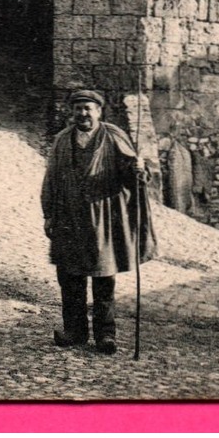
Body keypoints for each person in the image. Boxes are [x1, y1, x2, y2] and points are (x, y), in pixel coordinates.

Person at [40, 88, 158, 354]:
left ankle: (105, 335)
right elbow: (50, 179)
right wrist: (48, 214)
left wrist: (139, 170)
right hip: (69, 219)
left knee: (104, 279)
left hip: (103, 221)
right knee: (70, 279)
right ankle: (74, 331)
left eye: (88, 109)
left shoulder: (113, 136)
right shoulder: (61, 141)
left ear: (98, 111)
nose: (83, 114)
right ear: (72, 112)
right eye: (78, 109)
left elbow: (134, 174)